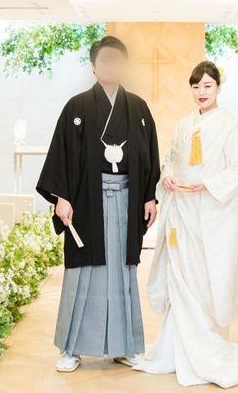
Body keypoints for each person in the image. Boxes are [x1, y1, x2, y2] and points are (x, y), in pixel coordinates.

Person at [134, 61, 238, 388]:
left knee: (205, 279)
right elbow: (171, 160)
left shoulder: (228, 124)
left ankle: (207, 348)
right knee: (181, 277)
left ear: (218, 88)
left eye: (207, 86)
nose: (201, 92)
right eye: (196, 86)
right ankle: (175, 350)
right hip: (182, 213)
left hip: (212, 214)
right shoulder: (184, 124)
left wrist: (209, 184)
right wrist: (168, 177)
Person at [36, 35, 160, 373]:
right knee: (84, 272)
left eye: (116, 60)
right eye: (104, 60)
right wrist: (62, 197)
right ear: (94, 66)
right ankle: (72, 348)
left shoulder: (138, 108)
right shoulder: (76, 107)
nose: (110, 66)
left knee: (121, 271)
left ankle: (124, 346)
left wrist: (149, 195)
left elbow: (150, 154)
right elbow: (61, 155)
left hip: (126, 200)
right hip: (86, 202)